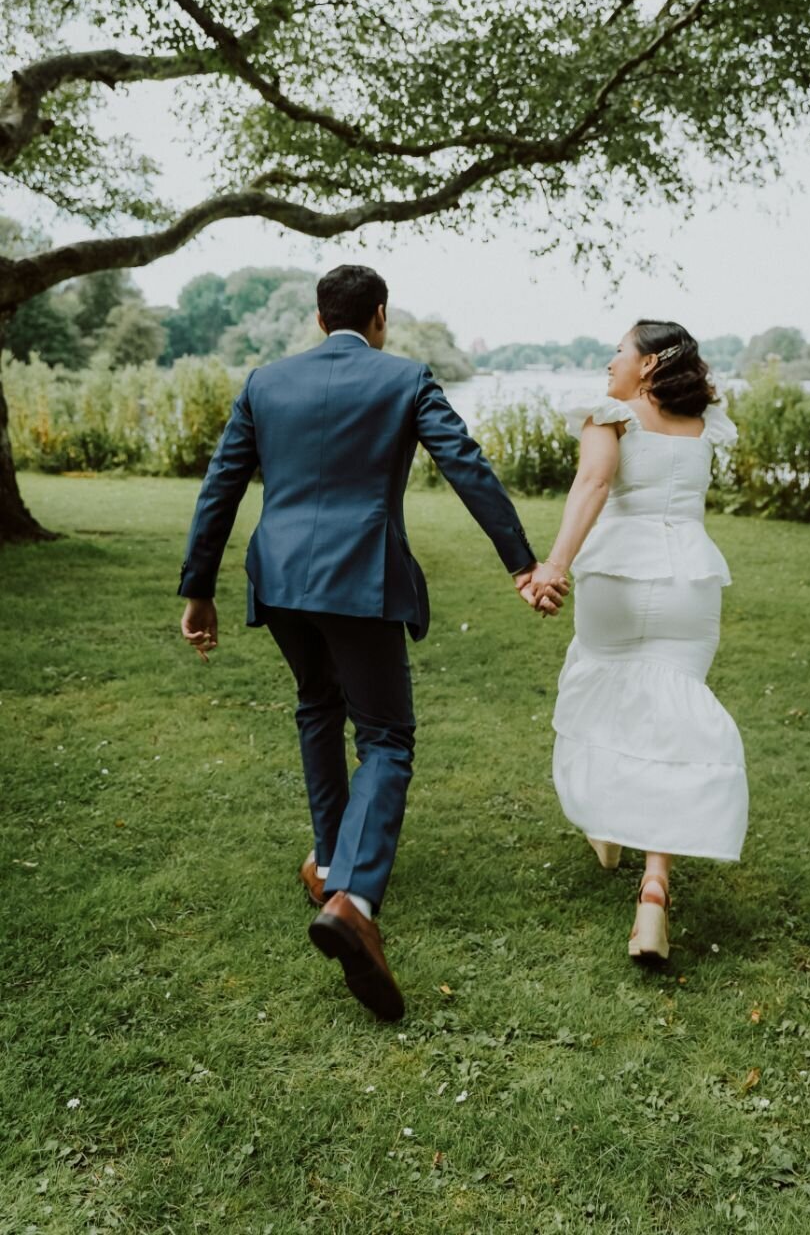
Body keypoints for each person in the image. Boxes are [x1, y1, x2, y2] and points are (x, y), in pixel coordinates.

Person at [177, 264, 568, 1021]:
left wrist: (199, 589)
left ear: (321, 318)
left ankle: (328, 862)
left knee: (317, 706)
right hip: (359, 578)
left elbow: (220, 486)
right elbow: (466, 466)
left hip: (281, 576)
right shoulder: (405, 378)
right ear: (379, 316)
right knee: (386, 736)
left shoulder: (265, 382)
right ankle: (352, 897)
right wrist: (519, 560)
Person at [525, 320, 748, 962]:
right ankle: (654, 888)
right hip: (690, 584)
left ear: (648, 365)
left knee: (600, 690)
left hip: (617, 579)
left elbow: (593, 486)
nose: (609, 361)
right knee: (671, 715)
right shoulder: (704, 422)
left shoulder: (610, 416)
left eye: (619, 351)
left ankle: (607, 824)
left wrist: (555, 566)